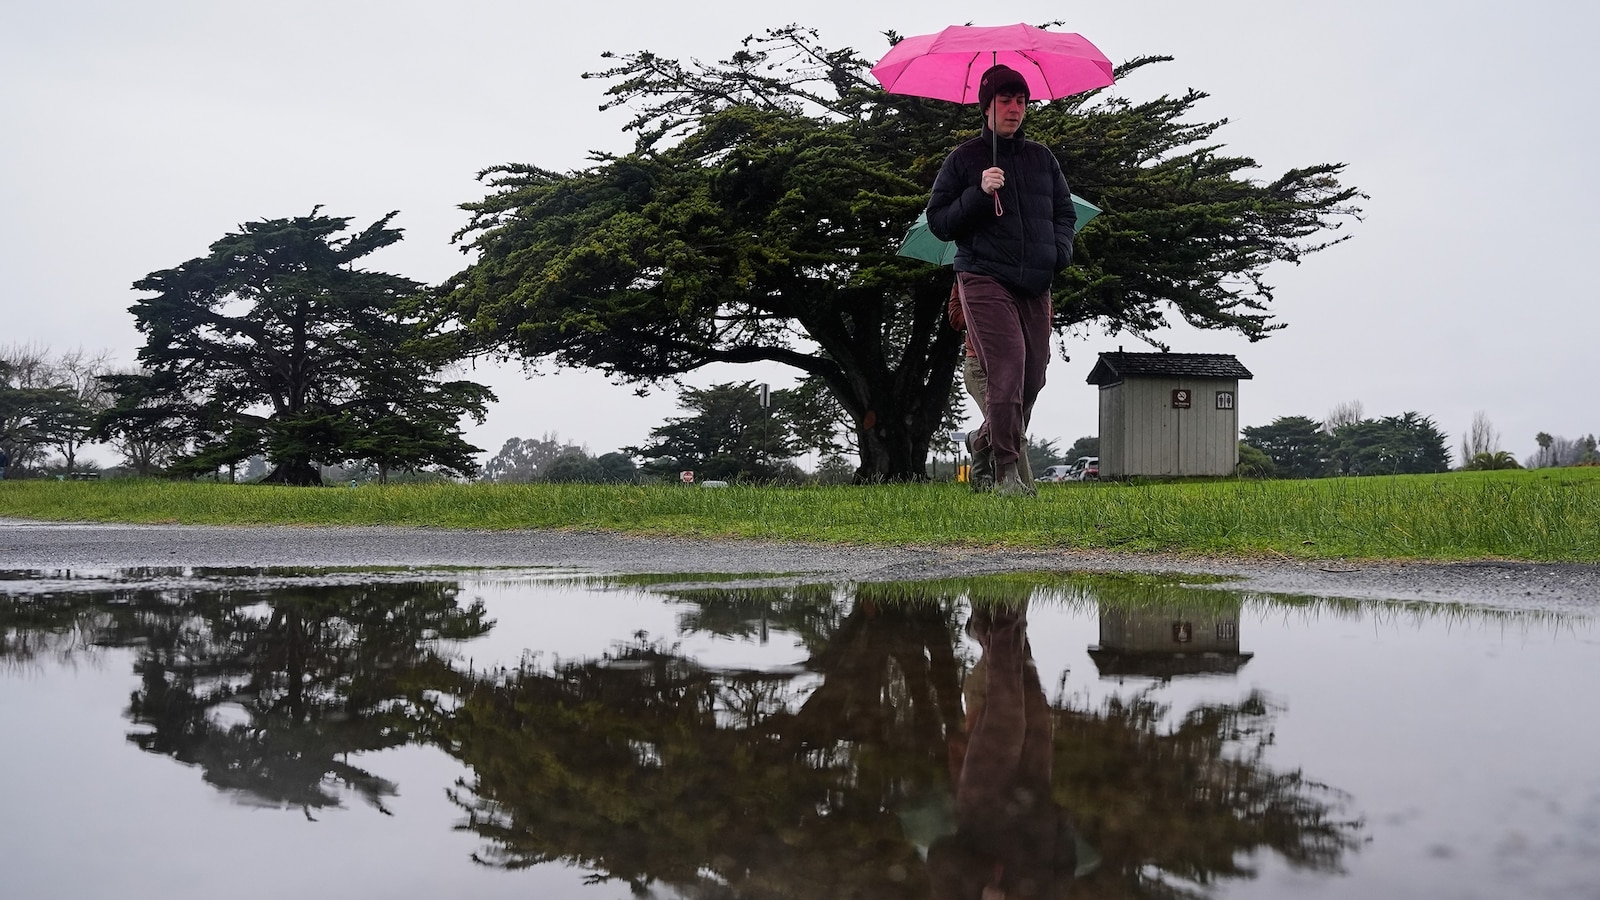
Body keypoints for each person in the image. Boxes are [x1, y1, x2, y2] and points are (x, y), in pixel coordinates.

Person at [927, 64, 1076, 496]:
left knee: (1033, 378)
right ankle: (1006, 474)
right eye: (1006, 101)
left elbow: (1065, 214)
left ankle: (982, 441)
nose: (1015, 108)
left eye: (1021, 101)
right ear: (986, 107)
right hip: (983, 276)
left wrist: (1059, 253)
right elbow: (939, 222)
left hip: (1036, 281)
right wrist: (978, 192)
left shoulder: (1042, 158)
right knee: (1006, 371)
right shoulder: (964, 159)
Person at [948, 282, 1032, 491]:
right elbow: (955, 317)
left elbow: (1043, 314)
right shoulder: (968, 276)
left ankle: (979, 440)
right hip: (979, 364)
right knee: (1014, 428)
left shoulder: (1025, 273)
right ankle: (1024, 491)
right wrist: (986, 312)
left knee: (1011, 425)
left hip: (1019, 363)